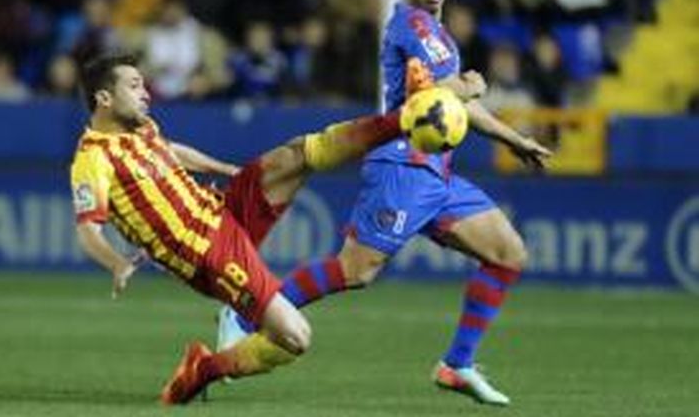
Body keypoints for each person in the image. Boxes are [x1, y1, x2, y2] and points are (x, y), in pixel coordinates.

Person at [218, 0, 552, 406]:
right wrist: (470, 84)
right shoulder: (411, 26)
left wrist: (513, 139)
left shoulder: (439, 33)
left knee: (508, 253)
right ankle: (245, 313)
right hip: (401, 163)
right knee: (355, 271)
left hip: (438, 173)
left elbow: (455, 107)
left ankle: (457, 365)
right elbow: (436, 98)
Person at [69, 53, 454, 405]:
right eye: (134, 86)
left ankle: (402, 119)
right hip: (207, 252)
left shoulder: (140, 129)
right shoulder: (93, 160)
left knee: (298, 154)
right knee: (296, 338)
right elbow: (89, 229)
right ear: (104, 99)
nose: (146, 93)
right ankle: (204, 370)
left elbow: (169, 152)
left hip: (222, 209)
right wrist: (117, 264)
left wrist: (226, 170)